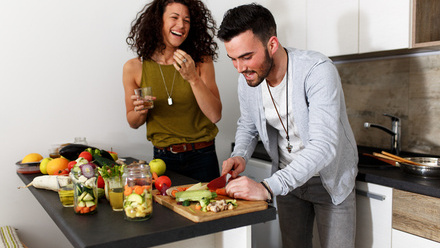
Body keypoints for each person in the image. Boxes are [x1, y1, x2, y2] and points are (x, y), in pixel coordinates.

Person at [218, 4, 358, 248]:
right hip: (288, 184)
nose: (240, 69)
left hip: (330, 181)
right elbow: (248, 124)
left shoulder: (317, 70)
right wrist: (240, 154)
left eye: (246, 57)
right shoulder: (249, 79)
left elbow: (323, 146)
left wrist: (266, 187)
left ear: (272, 44)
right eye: (233, 59)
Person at [123, 0, 222, 182]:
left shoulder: (201, 61)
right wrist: (140, 112)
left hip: (203, 156)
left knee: (207, 209)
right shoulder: (134, 67)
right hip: (163, 159)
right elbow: (133, 122)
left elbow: (215, 115)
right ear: (158, 21)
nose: (181, 25)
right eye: (174, 18)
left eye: (187, 20)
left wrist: (193, 77)